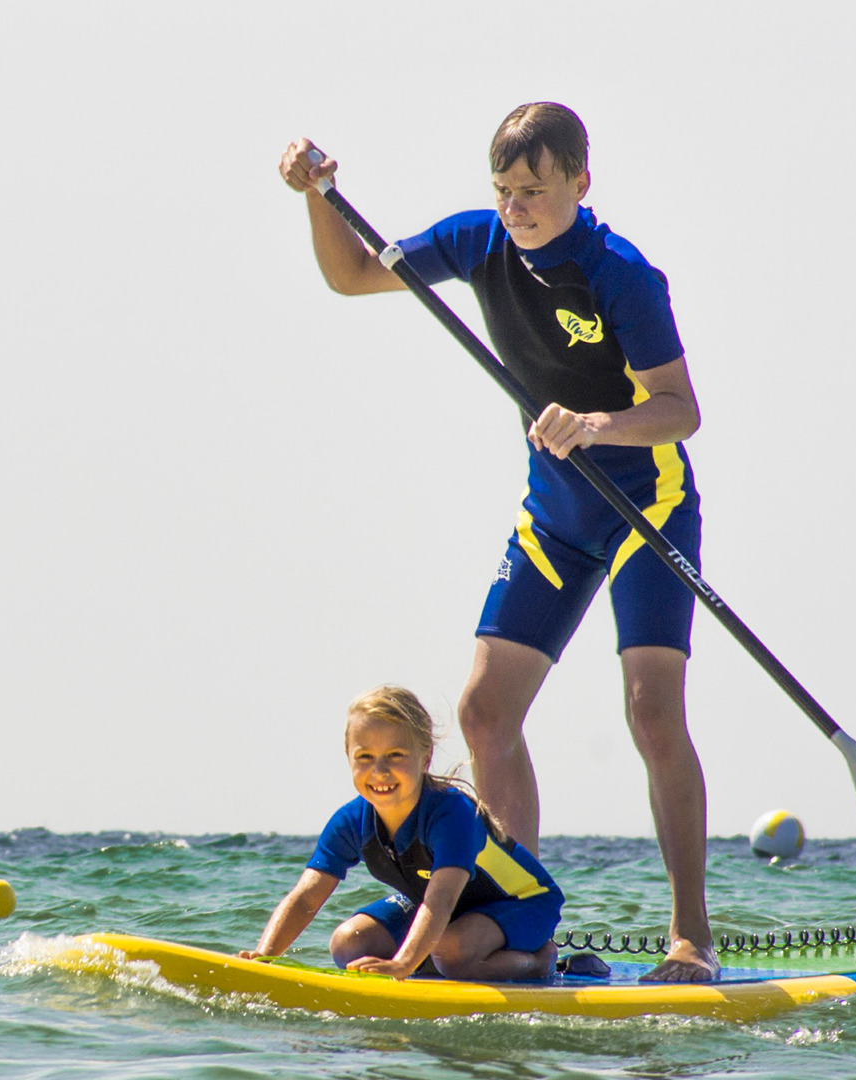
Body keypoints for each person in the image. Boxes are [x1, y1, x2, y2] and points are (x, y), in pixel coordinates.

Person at [278, 102, 717, 982]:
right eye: (505, 191)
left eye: (536, 192)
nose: (517, 209)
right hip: (555, 515)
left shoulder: (621, 274)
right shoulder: (478, 242)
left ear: (579, 184)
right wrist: (318, 198)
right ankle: (519, 925)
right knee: (482, 712)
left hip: (645, 508)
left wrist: (594, 423)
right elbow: (354, 277)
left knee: (651, 712)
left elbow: (681, 411)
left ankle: (690, 938)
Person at [240, 685, 563, 981]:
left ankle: (537, 961)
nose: (379, 771)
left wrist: (404, 962)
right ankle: (437, 957)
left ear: (425, 757)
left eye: (395, 755)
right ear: (348, 758)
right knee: (348, 945)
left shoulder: (451, 814)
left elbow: (442, 897)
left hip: (524, 904)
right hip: (451, 915)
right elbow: (306, 897)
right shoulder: (352, 820)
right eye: (365, 757)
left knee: (450, 954)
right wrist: (264, 958)